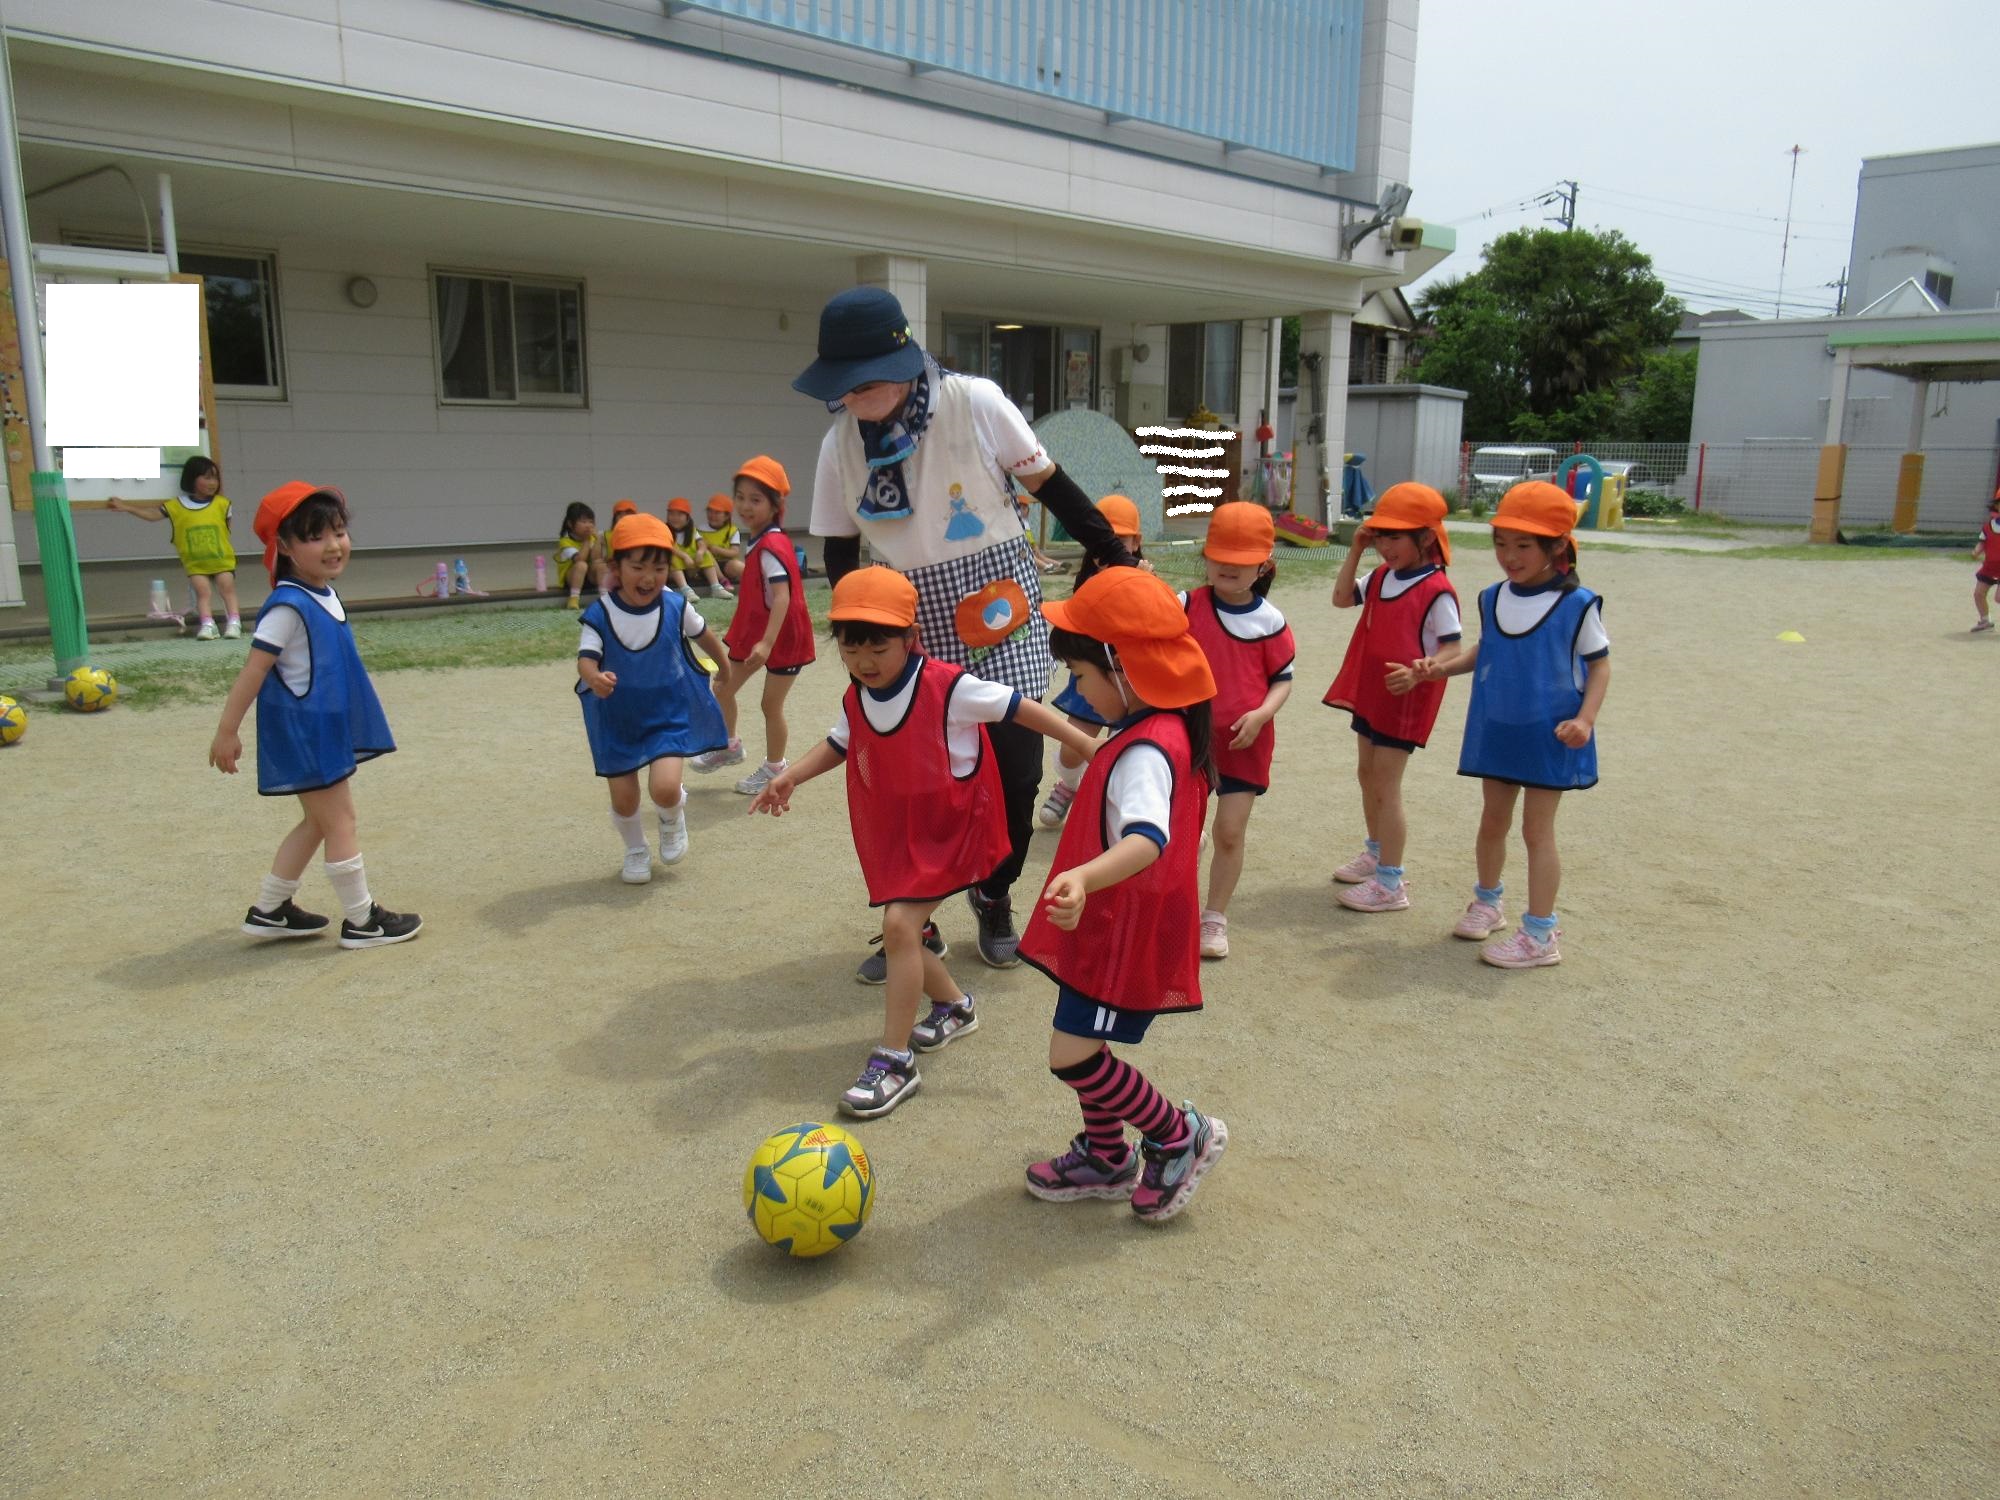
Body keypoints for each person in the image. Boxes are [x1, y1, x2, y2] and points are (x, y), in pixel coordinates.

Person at [798, 285, 1133, 973]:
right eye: (841, 388)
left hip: (997, 609)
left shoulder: (973, 401)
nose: (848, 400)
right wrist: (858, 625)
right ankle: (912, 923)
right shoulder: (839, 445)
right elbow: (836, 545)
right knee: (909, 782)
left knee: (1014, 768)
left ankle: (995, 890)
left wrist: (1111, 551)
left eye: (858, 385)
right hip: (905, 619)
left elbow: (1048, 484)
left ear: (899, 364)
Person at [749, 567, 1099, 1118]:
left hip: (954, 830)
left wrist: (1086, 744)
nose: (865, 660)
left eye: (879, 646)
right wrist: (791, 774)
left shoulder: (949, 686)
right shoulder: (857, 695)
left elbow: (1019, 707)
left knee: (899, 927)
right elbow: (842, 742)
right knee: (903, 934)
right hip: (902, 834)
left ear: (911, 637)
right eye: (851, 646)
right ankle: (955, 1007)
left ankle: (894, 1061)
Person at [1015, 567, 1227, 1222]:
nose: (1076, 692)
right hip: (1107, 921)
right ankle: (1106, 1155)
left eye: (1081, 678)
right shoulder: (1159, 727)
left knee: (1072, 1053)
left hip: (1121, 924)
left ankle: (1176, 1134)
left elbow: (1147, 838)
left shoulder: (1147, 748)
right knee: (1084, 1040)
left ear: (1125, 668)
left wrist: (1081, 877)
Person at [1403, 481, 1609, 969]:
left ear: (1557, 546)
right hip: (1498, 727)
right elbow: (1486, 649)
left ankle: (1540, 934)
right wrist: (1438, 666)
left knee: (1537, 832)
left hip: (1552, 734)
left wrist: (1585, 719)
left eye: (1522, 546)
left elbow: (1600, 665)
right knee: (1492, 820)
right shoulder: (1492, 596)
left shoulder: (1577, 604)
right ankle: (1487, 902)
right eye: (1500, 543)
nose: (1508, 556)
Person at [208, 482, 421, 949]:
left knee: (318, 822)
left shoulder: (320, 593)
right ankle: (362, 920)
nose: (333, 545)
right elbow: (254, 671)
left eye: (339, 532)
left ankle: (270, 909)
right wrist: (227, 730)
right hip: (306, 731)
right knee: (341, 820)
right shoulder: (288, 605)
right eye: (315, 536)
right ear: (282, 546)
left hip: (319, 727)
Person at [1324, 482, 1462, 914]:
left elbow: (1453, 648)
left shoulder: (1436, 589)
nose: (1386, 545)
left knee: (1386, 785)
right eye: (1380, 535)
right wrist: (1356, 550)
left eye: (1395, 537)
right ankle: (1376, 852)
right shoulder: (1382, 575)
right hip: (1373, 693)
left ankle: (1391, 883)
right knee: (1367, 775)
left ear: (1425, 537)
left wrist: (1425, 670)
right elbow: (1342, 598)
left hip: (1405, 698)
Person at [577, 513, 731, 884]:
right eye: (638, 567)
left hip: (666, 713)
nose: (649, 578)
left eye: (659, 568)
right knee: (624, 799)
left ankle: (672, 816)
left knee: (663, 789)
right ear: (616, 566)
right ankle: (635, 849)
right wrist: (594, 677)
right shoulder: (600, 613)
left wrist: (725, 670)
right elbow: (586, 658)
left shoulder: (675, 606)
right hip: (617, 719)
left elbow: (705, 635)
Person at [1183, 502, 1296, 961]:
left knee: (1229, 831)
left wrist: (1263, 714)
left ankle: (1215, 917)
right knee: (1181, 829)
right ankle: (1174, 903)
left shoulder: (1270, 620)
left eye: (1241, 557)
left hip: (1244, 743)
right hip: (1188, 738)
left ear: (1263, 566)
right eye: (1218, 554)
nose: (1227, 565)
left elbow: (1282, 680)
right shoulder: (1185, 604)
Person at [692, 456, 814, 795]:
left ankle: (776, 768)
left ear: (776, 506)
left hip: (781, 639)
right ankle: (729, 745)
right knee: (723, 688)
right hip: (758, 634)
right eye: (741, 497)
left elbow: (782, 597)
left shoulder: (771, 545)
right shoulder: (763, 539)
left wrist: (767, 643)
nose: (745, 506)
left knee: (769, 705)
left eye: (756, 499)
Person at [1038, 494, 1147, 830]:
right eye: (1098, 540)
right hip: (1090, 679)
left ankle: (1110, 807)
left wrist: (1144, 583)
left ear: (1136, 542)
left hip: (1129, 683)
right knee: (1073, 747)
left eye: (1119, 540)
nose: (1106, 547)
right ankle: (1069, 785)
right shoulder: (1087, 581)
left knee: (1123, 749)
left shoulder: (1146, 579)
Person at [106, 455, 241, 640]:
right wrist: (128, 507)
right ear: (192, 479)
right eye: (207, 477)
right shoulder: (177, 505)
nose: (213, 483)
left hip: (222, 559)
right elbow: (153, 514)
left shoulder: (223, 504)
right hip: (194, 563)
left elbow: (226, 530)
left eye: (215, 478)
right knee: (203, 593)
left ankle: (234, 622)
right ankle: (208, 624)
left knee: (227, 589)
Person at [665, 497, 730, 598]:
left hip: (691, 566)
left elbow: (701, 543)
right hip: (673, 571)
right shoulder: (665, 530)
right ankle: (685, 590)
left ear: (687, 517)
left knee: (706, 554)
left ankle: (716, 587)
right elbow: (669, 547)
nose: (675, 517)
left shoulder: (692, 530)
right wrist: (685, 556)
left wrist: (700, 552)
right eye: (671, 514)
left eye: (679, 514)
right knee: (673, 557)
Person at [555, 502, 607, 609]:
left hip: (589, 578)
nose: (588, 525)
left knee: (601, 565)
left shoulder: (592, 538)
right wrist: (587, 540)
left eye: (591, 522)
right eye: (583, 521)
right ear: (570, 524)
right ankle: (573, 599)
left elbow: (596, 559)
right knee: (581, 565)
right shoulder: (565, 542)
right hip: (571, 580)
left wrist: (598, 541)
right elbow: (580, 559)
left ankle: (605, 599)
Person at [697, 494, 744, 588]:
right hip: (707, 565)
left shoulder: (732, 530)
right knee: (706, 554)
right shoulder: (700, 529)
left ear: (726, 516)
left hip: (726, 564)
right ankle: (723, 580)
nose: (712, 515)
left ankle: (754, 585)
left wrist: (716, 549)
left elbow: (734, 552)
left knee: (739, 566)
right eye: (710, 511)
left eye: (717, 512)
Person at [1972, 488, 2000, 632]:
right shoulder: (1989, 526)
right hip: (1989, 567)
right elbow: (1982, 542)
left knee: (1998, 598)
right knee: (1979, 594)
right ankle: (1985, 620)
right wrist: (1977, 551)